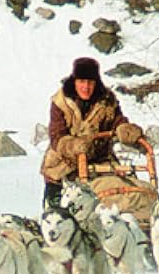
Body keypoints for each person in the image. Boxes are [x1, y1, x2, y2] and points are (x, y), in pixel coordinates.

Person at [40, 57, 143, 207]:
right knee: (58, 208)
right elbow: (57, 135)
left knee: (118, 194)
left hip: (99, 161)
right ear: (74, 81)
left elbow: (117, 120)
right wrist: (72, 145)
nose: (86, 87)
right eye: (82, 82)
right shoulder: (61, 102)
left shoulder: (107, 100)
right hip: (63, 165)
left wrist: (124, 129)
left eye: (90, 82)